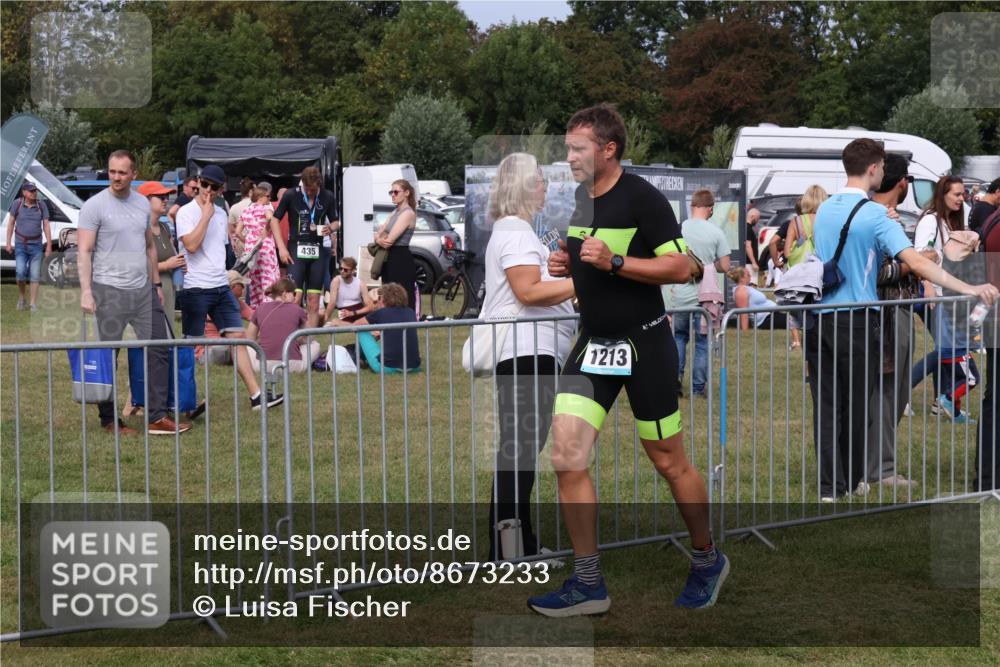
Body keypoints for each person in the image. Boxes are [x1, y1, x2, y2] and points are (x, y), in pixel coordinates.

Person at [527, 104, 728, 617]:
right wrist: (568, 262)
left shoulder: (643, 197)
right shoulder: (580, 198)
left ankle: (707, 557)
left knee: (667, 460)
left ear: (608, 149)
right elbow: (588, 258)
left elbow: (683, 267)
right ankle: (589, 582)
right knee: (566, 457)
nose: (568, 157)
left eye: (577, 148)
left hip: (645, 344)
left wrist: (615, 261)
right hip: (593, 343)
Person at [803, 139, 998, 502]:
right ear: (875, 169)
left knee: (828, 406)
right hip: (857, 319)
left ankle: (831, 488)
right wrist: (969, 287)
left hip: (819, 319)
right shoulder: (875, 214)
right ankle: (850, 480)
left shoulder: (826, 207)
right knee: (860, 405)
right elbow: (921, 263)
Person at [480, 152, 576, 561]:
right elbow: (528, 292)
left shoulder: (515, 231)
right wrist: (580, 283)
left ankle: (515, 546)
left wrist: (556, 273)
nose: (546, 186)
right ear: (522, 187)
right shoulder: (517, 231)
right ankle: (511, 550)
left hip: (529, 351)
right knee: (518, 452)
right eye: (539, 180)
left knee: (518, 451)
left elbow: (533, 284)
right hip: (527, 351)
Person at [77, 150, 190, 436]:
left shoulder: (142, 205)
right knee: (108, 355)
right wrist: (87, 291)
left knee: (159, 348)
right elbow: (84, 250)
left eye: (122, 172)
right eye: (112, 171)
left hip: (143, 291)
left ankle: (156, 417)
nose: (116, 177)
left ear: (134, 174)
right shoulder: (94, 206)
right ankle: (109, 420)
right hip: (108, 291)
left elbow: (149, 248)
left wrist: (155, 285)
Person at [176, 164, 283, 410]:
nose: (208, 191)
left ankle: (257, 396)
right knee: (191, 344)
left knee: (239, 337)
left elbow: (221, 249)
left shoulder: (223, 213)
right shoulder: (185, 212)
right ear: (199, 183)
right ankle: (185, 401)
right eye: (205, 185)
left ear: (222, 189)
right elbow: (191, 245)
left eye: (215, 188)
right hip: (195, 288)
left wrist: (234, 272)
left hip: (221, 285)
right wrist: (205, 216)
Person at [859, 154, 921, 493]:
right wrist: (914, 264)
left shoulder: (885, 218)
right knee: (886, 392)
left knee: (893, 391)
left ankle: (878, 465)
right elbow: (876, 273)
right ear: (902, 183)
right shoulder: (878, 219)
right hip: (884, 314)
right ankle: (879, 467)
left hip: (895, 312)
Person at [911, 176, 969, 404]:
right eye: (956, 194)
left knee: (946, 349)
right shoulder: (930, 221)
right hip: (934, 294)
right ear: (942, 195)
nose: (961, 198)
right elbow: (919, 256)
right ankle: (904, 389)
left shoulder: (949, 221)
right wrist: (927, 285)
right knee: (946, 349)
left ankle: (942, 400)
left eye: (962, 194)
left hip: (947, 294)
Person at [668, 189, 730, 399]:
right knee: (703, 343)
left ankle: (674, 383)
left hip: (679, 295)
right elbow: (725, 266)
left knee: (678, 338)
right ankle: (697, 389)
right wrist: (710, 264)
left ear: (692, 206)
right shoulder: (716, 232)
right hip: (705, 297)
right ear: (711, 209)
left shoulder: (678, 229)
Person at [267, 166, 340, 329]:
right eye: (306, 189)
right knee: (294, 297)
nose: (309, 193)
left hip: (318, 251)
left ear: (319, 184)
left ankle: (310, 340)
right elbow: (274, 220)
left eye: (313, 190)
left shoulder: (327, 196)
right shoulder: (291, 195)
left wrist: (332, 227)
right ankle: (289, 336)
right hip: (296, 250)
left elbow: (336, 221)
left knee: (314, 301)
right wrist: (281, 248)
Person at [782, 186, 828, 349]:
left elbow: (787, 253)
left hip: (799, 276)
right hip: (819, 274)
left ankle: (801, 345)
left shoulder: (796, 221)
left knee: (798, 313)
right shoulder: (827, 220)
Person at [246, 279, 320, 373]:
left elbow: (250, 340)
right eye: (294, 293)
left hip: (262, 365)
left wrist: (262, 340)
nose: (295, 297)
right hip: (291, 366)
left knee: (246, 347)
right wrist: (300, 341)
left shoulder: (260, 308)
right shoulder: (297, 309)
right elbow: (311, 335)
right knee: (315, 345)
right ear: (285, 293)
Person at [137, 181, 185, 318]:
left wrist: (180, 263)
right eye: (161, 197)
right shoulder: (138, 229)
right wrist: (166, 265)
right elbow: (137, 267)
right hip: (147, 290)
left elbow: (173, 255)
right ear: (145, 201)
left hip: (168, 287)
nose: (166, 200)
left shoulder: (164, 227)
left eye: (167, 197)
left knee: (167, 331)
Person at [352, 282, 420, 373]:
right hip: (414, 367)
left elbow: (356, 324)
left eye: (379, 297)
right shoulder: (411, 312)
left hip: (387, 368)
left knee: (361, 331)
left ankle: (359, 358)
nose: (378, 300)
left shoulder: (382, 312)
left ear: (383, 299)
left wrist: (373, 331)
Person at [5, 181, 53, 311]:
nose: (34, 193)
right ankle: (21, 298)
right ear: (24, 193)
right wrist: (8, 243)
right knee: (20, 273)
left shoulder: (42, 205)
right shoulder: (17, 204)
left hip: (36, 246)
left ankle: (33, 304)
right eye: (31, 191)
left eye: (35, 190)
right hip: (21, 245)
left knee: (35, 275)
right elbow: (10, 224)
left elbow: (46, 225)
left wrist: (49, 245)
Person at [374, 179, 418, 310]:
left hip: (400, 259)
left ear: (406, 193)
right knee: (387, 297)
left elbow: (388, 241)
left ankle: (405, 327)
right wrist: (378, 238)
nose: (393, 194)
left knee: (401, 297)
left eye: (396, 192)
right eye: (391, 192)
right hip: (389, 259)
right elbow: (378, 233)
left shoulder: (408, 213)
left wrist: (379, 239)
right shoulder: (395, 212)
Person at [235, 183, 279, 308]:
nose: (269, 198)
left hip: (251, 248)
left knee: (255, 280)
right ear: (260, 197)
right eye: (268, 196)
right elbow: (270, 218)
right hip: (265, 246)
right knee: (268, 277)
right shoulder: (267, 208)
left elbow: (237, 232)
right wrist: (266, 229)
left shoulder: (247, 210)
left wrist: (248, 241)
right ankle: (269, 307)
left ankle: (256, 309)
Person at [322, 256, 376, 326]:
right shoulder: (336, 281)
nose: (342, 271)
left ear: (353, 271)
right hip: (344, 314)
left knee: (336, 323)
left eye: (346, 270)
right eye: (340, 268)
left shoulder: (360, 283)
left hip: (359, 313)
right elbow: (332, 303)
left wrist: (353, 313)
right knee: (334, 322)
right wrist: (325, 319)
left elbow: (370, 307)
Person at [228, 176, 255, 261]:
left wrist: (233, 241)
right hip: (255, 244)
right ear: (251, 191)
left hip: (240, 245)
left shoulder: (234, 208)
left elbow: (231, 230)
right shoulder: (257, 206)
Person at [745, 206, 761, 286]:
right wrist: (754, 263)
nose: (758, 221)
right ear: (752, 217)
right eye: (757, 218)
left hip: (748, 263)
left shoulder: (745, 228)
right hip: (749, 264)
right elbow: (748, 246)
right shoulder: (748, 229)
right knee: (752, 285)